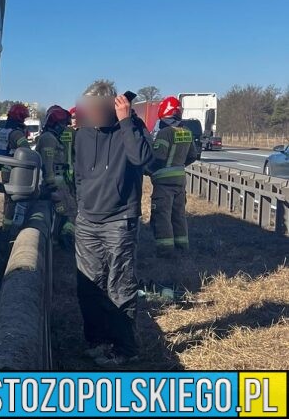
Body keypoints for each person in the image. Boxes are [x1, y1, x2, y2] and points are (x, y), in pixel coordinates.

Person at [74, 80, 153, 366]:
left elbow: (142, 158)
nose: (91, 114)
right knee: (89, 285)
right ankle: (98, 341)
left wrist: (126, 121)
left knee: (119, 285)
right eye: (88, 109)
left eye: (97, 109)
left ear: (111, 107)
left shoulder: (130, 129)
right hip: (88, 220)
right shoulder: (82, 133)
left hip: (119, 220)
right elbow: (80, 174)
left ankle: (124, 348)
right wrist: (82, 207)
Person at [146, 96, 199, 255]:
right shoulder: (187, 132)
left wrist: (146, 169)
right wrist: (178, 165)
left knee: (163, 215)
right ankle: (182, 246)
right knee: (179, 215)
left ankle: (165, 250)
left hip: (164, 182)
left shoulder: (165, 133)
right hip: (180, 180)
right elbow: (192, 155)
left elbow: (158, 157)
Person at [36, 106, 78, 246]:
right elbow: (48, 165)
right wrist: (52, 187)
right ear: (56, 124)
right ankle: (62, 238)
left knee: (64, 210)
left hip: (59, 180)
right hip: (55, 183)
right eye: (62, 125)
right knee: (70, 209)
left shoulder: (51, 137)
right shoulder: (49, 139)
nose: (64, 128)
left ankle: (58, 238)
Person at [0, 103, 30, 228]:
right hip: (15, 171)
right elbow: (26, 150)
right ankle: (12, 226)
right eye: (24, 119)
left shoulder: (4, 130)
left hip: (5, 168)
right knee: (16, 198)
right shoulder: (16, 134)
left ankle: (6, 225)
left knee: (8, 199)